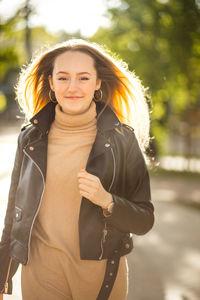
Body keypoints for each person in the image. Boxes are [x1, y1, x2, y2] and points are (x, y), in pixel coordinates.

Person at [0, 39, 154, 300]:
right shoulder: (30, 138)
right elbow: (14, 213)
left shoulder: (121, 139)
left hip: (100, 276)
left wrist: (107, 201)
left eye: (83, 78)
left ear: (97, 83)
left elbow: (144, 220)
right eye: (63, 78)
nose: (72, 87)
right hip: (40, 273)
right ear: (51, 82)